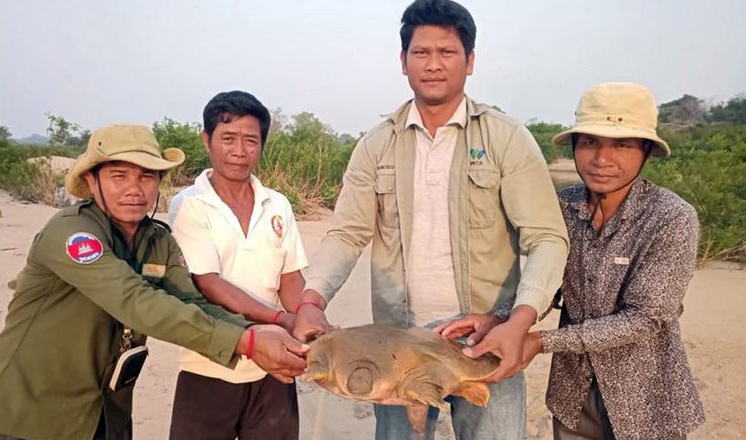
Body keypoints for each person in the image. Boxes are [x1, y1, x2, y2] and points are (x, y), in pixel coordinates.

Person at [291, 0, 569, 438]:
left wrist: (519, 321)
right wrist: (311, 301)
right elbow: (347, 233)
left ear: (470, 60)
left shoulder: (506, 139)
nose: (433, 65)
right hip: (395, 346)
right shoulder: (376, 145)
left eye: (447, 52)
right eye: (421, 53)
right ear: (403, 61)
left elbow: (546, 238)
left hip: (486, 339)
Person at [0, 125, 307, 440]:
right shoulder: (72, 234)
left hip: (106, 413)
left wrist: (253, 331)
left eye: (146, 177)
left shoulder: (157, 239)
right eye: (119, 176)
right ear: (92, 180)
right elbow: (137, 302)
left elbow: (191, 301)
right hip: (30, 414)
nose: (134, 189)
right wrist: (249, 343)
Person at [518, 82, 706, 439]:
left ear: (647, 152)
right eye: (589, 142)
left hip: (646, 398)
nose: (602, 159)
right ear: (575, 146)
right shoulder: (562, 207)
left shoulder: (671, 217)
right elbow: (545, 282)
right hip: (573, 395)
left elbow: (646, 318)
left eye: (621, 145)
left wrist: (541, 342)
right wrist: (504, 319)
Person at [166, 91, 308, 440]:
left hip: (273, 367)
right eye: (228, 138)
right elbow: (209, 284)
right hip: (211, 363)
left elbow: (290, 277)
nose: (240, 151)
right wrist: (279, 319)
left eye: (251, 140)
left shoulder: (277, 204)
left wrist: (305, 315)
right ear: (207, 140)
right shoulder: (190, 205)